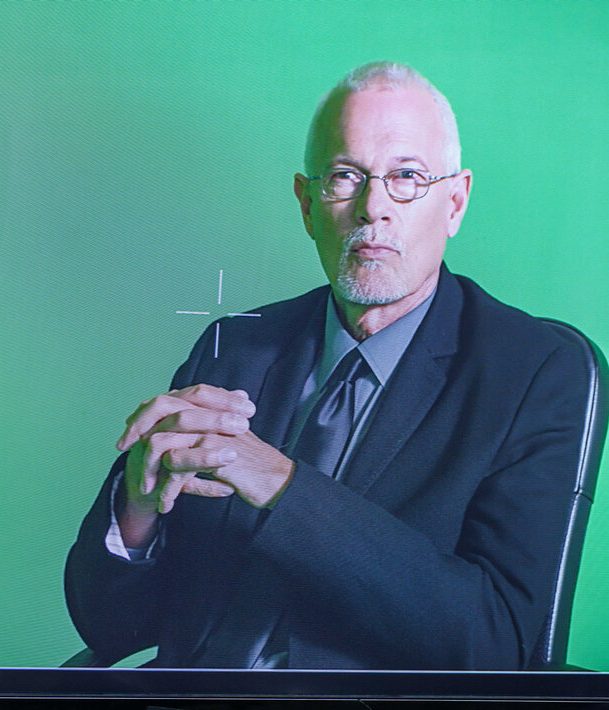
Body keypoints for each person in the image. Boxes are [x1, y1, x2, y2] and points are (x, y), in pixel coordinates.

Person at [65, 61, 588, 670]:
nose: (372, 207)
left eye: (407, 176)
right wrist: (138, 506)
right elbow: (110, 627)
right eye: (345, 176)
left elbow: (499, 645)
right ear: (307, 203)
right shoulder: (235, 347)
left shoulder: (538, 371)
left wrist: (282, 485)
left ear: (455, 201)